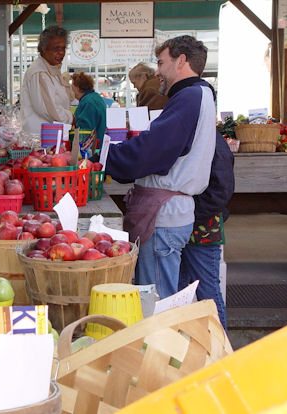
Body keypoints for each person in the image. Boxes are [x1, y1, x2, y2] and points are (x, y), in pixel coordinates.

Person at [103, 35, 216, 299]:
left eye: (161, 63)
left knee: (155, 302)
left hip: (165, 217)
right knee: (161, 296)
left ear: (181, 61)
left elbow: (153, 151)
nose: (157, 72)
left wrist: (106, 156)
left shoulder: (189, 97)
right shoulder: (196, 96)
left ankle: (158, 341)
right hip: (170, 213)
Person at [179, 132, 234, 330]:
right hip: (185, 225)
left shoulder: (214, 142)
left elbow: (221, 191)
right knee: (180, 291)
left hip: (202, 229)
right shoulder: (195, 136)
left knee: (207, 290)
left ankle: (222, 350)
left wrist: (189, 215)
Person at [20, 25, 73, 134]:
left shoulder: (52, 69)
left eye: (63, 48)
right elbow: (49, 110)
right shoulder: (39, 72)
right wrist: (71, 118)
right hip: (40, 137)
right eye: (56, 48)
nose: (61, 53)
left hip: (50, 135)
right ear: (43, 49)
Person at [71, 72, 107, 157]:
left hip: (92, 151)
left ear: (78, 88)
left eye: (72, 87)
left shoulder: (88, 102)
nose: (71, 90)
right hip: (99, 147)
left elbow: (84, 131)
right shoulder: (95, 97)